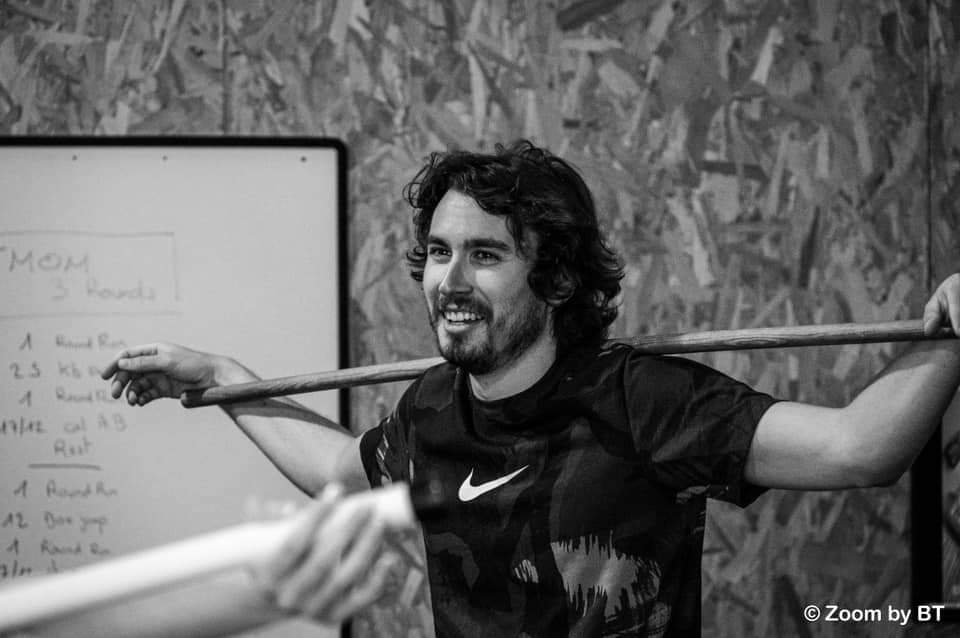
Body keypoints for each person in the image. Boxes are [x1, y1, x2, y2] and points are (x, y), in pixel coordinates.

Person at [100, 140, 960, 637]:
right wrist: (227, 380)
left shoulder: (642, 399)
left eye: (485, 255)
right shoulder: (431, 408)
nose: (449, 281)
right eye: (438, 253)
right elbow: (338, 472)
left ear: (554, 279)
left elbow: (860, 450)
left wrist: (957, 330)